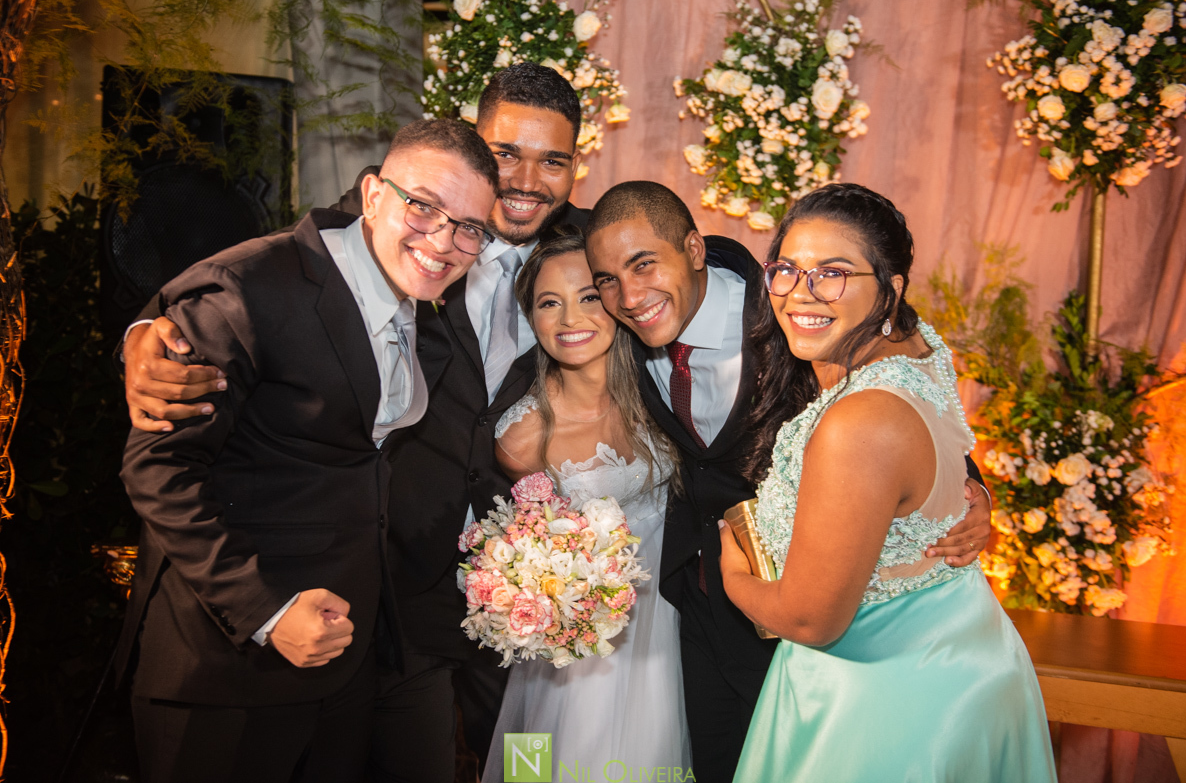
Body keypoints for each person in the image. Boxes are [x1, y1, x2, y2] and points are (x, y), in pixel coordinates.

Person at [118, 63, 591, 781]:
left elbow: (678, 273)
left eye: (552, 160)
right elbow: (252, 280)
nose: (527, 179)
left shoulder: (592, 251)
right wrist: (145, 331)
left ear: (576, 166)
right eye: (505, 153)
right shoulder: (402, 218)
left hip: (519, 593)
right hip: (373, 590)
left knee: (525, 765)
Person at [583, 181, 996, 783]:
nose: (629, 295)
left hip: (808, 620)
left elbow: (901, 401)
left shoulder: (795, 311)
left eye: (645, 265)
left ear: (694, 250)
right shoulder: (620, 328)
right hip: (695, 606)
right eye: (608, 280)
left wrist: (972, 492)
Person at [718, 183, 1055, 781]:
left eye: (833, 273)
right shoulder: (917, 347)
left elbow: (811, 621)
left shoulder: (859, 421)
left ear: (891, 289)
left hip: (888, 698)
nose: (800, 293)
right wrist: (966, 495)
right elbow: (922, 456)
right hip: (959, 651)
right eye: (787, 270)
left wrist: (733, 573)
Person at [480, 229, 689, 781]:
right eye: (549, 302)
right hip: (587, 647)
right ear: (531, 317)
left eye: (589, 296)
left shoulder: (666, 388)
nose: (570, 318)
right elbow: (531, 553)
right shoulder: (523, 438)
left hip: (672, 617)